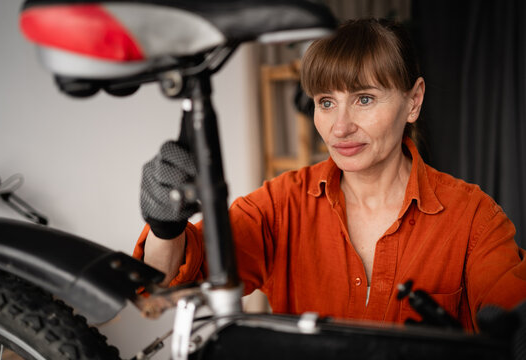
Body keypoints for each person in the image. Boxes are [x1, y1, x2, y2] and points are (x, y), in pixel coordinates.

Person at [133, 18, 526, 332]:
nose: (339, 128)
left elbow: (514, 319)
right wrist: (166, 226)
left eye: (364, 99)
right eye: (326, 102)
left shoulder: (473, 217)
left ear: (414, 100)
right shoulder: (281, 203)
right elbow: (167, 283)